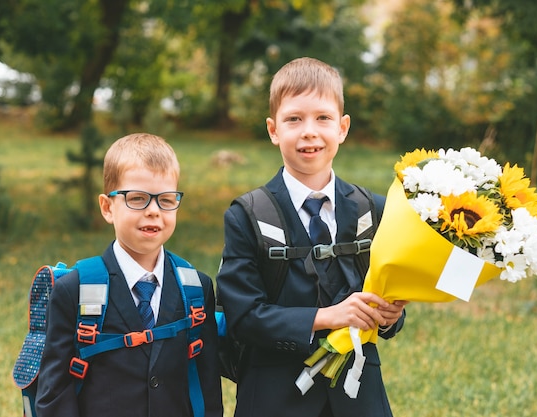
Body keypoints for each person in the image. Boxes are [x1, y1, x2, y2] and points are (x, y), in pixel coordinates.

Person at [216, 57, 408, 417]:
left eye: (323, 118)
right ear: (273, 130)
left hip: (358, 393)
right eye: (294, 119)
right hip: (275, 395)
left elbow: (389, 306)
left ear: (343, 127)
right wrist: (326, 317)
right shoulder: (247, 215)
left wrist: (390, 314)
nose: (309, 131)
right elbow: (243, 316)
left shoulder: (374, 209)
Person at [35, 133, 223, 417]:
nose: (153, 211)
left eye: (166, 200)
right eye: (137, 199)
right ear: (108, 207)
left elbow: (208, 389)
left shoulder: (197, 288)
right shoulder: (74, 290)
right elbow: (54, 395)